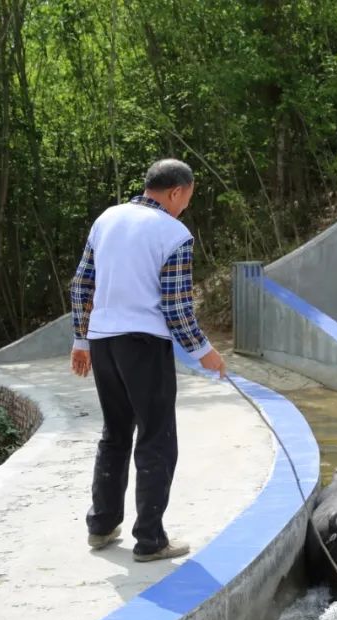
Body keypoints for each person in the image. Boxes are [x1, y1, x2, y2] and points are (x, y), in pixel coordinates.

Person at [69, 158, 226, 562]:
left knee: (115, 433)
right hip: (144, 344)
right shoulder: (173, 232)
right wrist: (203, 352)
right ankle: (150, 540)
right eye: (187, 198)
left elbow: (81, 283)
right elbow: (176, 306)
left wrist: (81, 340)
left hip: (104, 342)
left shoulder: (108, 217)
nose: (186, 207)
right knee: (157, 439)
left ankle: (101, 525)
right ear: (176, 192)